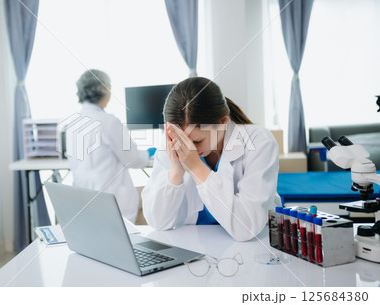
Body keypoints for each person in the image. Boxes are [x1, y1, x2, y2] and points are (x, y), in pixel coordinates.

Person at [141, 77, 281, 241]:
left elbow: (246, 229)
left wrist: (196, 167)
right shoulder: (172, 145)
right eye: (182, 141)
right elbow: (157, 222)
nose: (188, 149)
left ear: (222, 122)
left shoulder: (259, 140)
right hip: (196, 246)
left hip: (251, 248)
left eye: (197, 141)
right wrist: (175, 173)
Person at [68, 69, 154, 223]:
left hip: (83, 200)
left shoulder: (72, 123)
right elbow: (133, 160)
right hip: (111, 200)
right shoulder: (108, 122)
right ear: (103, 89)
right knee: (152, 195)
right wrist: (148, 154)